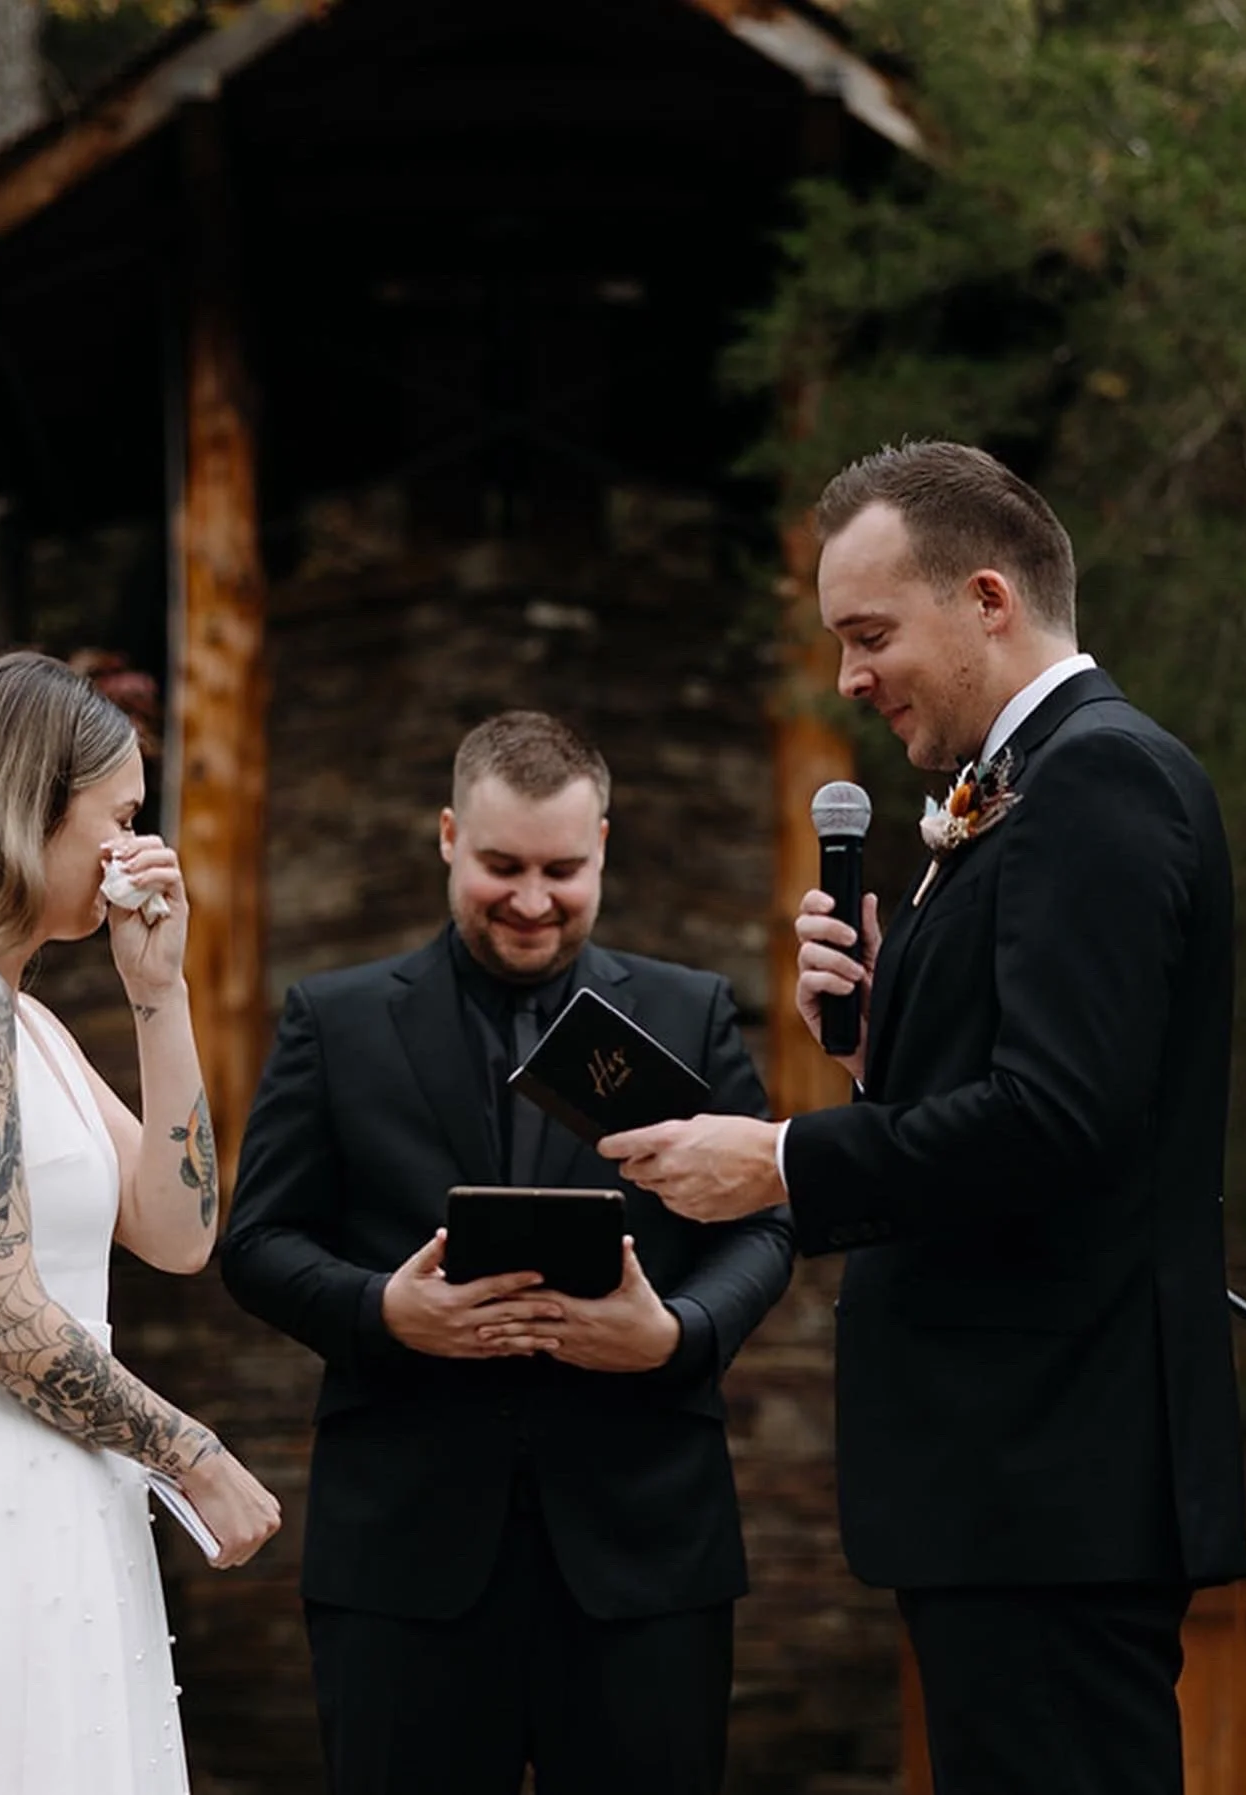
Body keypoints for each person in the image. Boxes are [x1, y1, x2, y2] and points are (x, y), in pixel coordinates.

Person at [598, 442, 1246, 1794]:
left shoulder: (1098, 781)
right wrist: (880, 1040)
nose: (848, 678)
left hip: (1054, 1468)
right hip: (1011, 1475)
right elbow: (1036, 1097)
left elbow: (1058, 1122)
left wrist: (780, 1160)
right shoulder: (1027, 789)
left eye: (871, 633)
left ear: (990, 599)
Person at [221, 709, 794, 1795]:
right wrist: (384, 1313)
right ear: (447, 836)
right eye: (501, 866)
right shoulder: (332, 1021)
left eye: (563, 869)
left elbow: (764, 1222)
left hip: (644, 1551)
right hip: (404, 1557)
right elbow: (255, 1242)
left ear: (605, 848)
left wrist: (679, 1333)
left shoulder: (690, 1010)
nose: (532, 900)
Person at [0, 652, 281, 1795]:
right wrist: (192, 1454)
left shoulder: (30, 1024)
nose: (133, 850)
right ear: (31, 809)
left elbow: (179, 1228)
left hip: (57, 1485)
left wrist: (161, 994)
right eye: (120, 817)